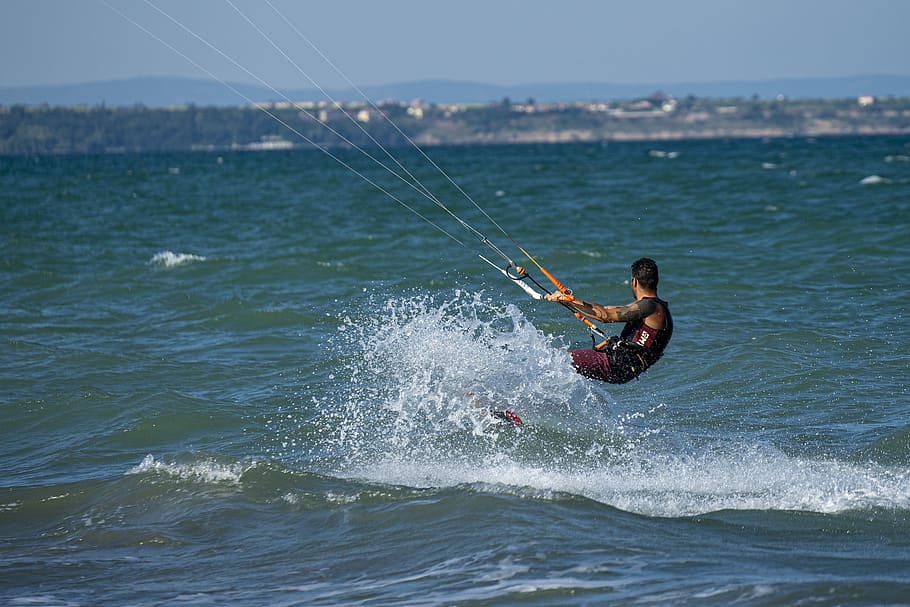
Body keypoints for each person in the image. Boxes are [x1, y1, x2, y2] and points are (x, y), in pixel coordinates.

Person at [544, 257, 672, 384]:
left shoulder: (650, 306)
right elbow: (605, 309)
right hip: (622, 367)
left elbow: (605, 315)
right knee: (561, 366)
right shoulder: (660, 308)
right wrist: (568, 302)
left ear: (634, 282)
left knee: (556, 359)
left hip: (615, 364)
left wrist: (566, 299)